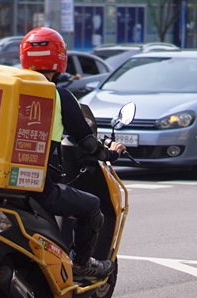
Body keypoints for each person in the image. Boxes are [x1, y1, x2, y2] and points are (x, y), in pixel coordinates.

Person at [19, 27, 126, 280]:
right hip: (34, 186)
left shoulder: (9, 89)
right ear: (60, 59)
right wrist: (110, 153)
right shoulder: (60, 96)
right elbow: (87, 144)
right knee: (91, 206)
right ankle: (80, 264)